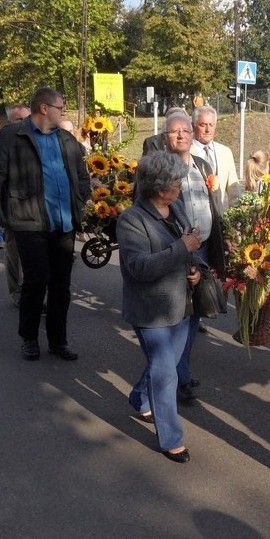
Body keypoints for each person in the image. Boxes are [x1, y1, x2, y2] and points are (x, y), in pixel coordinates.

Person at [0, 87, 90, 361]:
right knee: (37, 280)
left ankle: (58, 340)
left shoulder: (66, 139)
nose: (62, 112)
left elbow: (82, 174)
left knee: (61, 285)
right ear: (44, 108)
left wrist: (80, 199)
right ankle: (29, 337)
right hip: (28, 220)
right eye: (60, 107)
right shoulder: (12, 136)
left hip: (63, 223)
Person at [118, 152, 203, 463]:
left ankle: (140, 396)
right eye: (175, 183)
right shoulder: (132, 219)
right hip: (150, 309)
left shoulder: (175, 207)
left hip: (183, 303)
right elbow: (138, 267)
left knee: (166, 363)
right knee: (166, 371)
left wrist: (195, 268)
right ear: (156, 186)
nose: (180, 187)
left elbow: (191, 249)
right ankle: (171, 438)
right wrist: (183, 248)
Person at [161, 113, 225, 399]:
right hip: (179, 250)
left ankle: (181, 372)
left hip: (204, 247)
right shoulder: (161, 169)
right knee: (181, 317)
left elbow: (213, 204)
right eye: (174, 132)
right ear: (166, 137)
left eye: (185, 130)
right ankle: (175, 380)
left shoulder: (202, 164)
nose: (181, 136)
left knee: (195, 314)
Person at [2, 104, 32, 308]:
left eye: (26, 118)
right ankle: (16, 290)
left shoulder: (39, 138)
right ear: (10, 122)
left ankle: (35, 292)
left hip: (37, 207)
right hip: (12, 206)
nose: (24, 123)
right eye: (18, 119)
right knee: (14, 252)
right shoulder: (4, 140)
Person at [189, 106, 241, 211]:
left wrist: (237, 218)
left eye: (211, 125)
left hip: (220, 221)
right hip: (194, 221)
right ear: (193, 126)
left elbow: (234, 191)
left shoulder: (225, 152)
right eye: (203, 125)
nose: (208, 130)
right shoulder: (186, 152)